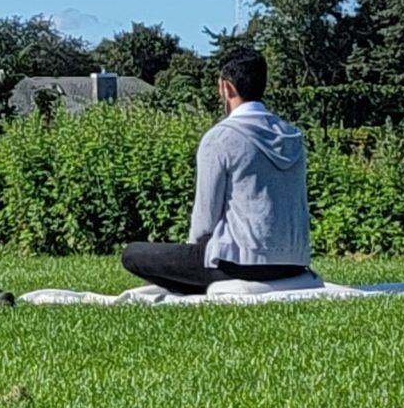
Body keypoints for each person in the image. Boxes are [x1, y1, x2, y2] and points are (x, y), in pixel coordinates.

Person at [119, 49, 312, 295]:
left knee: (133, 254)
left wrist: (194, 254)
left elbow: (204, 222)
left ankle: (202, 285)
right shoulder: (293, 136)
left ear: (226, 88)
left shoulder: (221, 137)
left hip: (241, 263)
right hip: (293, 263)